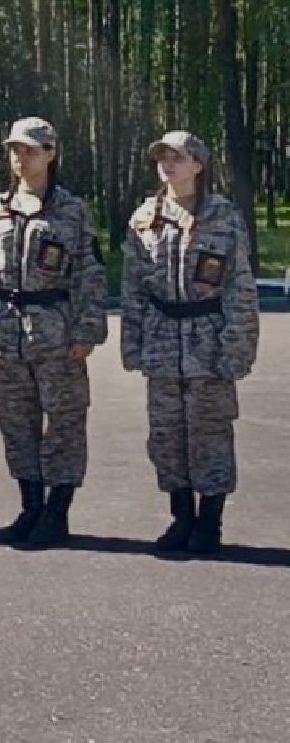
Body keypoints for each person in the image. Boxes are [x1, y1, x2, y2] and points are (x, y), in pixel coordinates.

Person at [0, 117, 107, 548]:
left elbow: (90, 275)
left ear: (51, 153)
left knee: (64, 423)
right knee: (15, 422)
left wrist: (87, 330)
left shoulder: (72, 211)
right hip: (10, 334)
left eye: (29, 149)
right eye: (14, 150)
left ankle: (57, 510)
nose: (20, 158)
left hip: (58, 334)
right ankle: (30, 505)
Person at [121, 131, 259, 554]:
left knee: (210, 435)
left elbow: (239, 288)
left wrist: (238, 347)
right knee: (166, 437)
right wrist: (133, 342)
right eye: (162, 158)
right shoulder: (145, 217)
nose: (167, 164)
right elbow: (134, 288)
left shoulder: (224, 217)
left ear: (198, 164)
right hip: (163, 339)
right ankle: (181, 518)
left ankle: (210, 523)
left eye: (177, 157)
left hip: (208, 339)